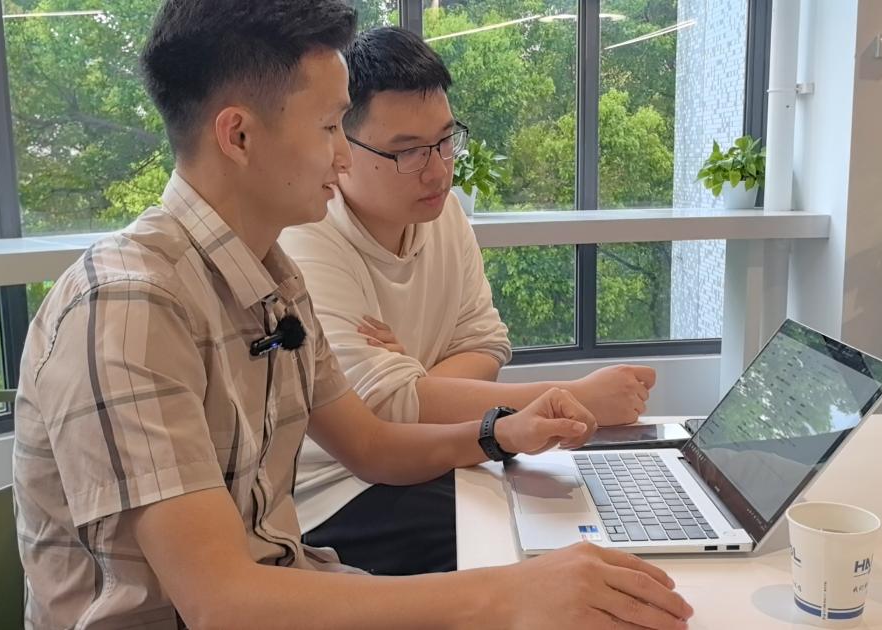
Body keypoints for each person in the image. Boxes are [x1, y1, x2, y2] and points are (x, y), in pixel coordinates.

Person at [12, 2, 693, 629]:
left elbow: (373, 447)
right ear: (238, 135)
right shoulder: (128, 306)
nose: (343, 157)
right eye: (330, 127)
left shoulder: (273, 279)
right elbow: (222, 602)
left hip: (294, 582)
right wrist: (508, 593)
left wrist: (502, 433)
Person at [280, 26, 657, 576]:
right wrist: (575, 397)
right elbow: (378, 419)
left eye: (444, 140)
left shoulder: (441, 211)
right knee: (532, 548)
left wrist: (415, 383)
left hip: (437, 454)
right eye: (407, 151)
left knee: (567, 511)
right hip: (336, 493)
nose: (437, 170)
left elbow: (485, 343)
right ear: (342, 146)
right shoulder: (307, 238)